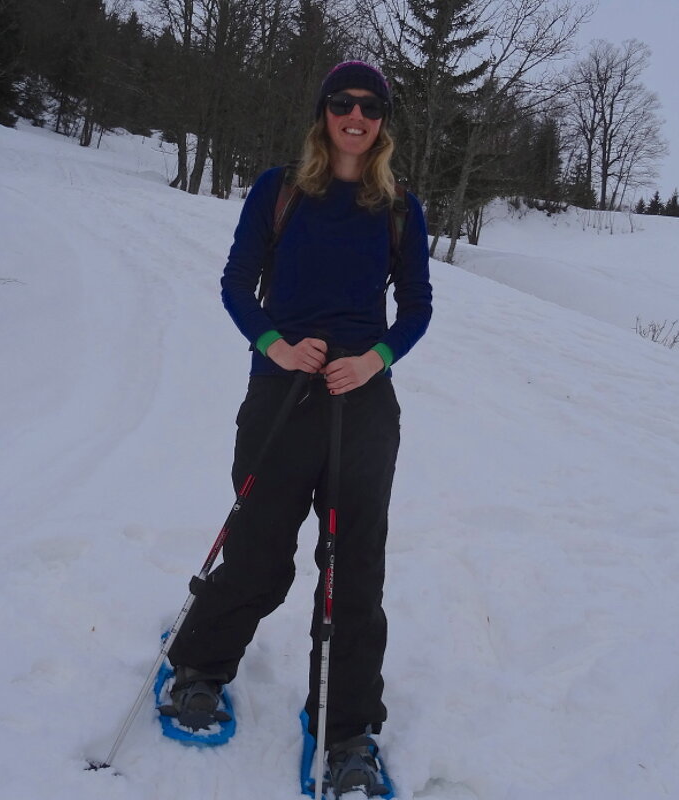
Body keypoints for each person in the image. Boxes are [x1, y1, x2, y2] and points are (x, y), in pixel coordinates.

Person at [165, 60, 432, 796]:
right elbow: (234, 282)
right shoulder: (279, 190)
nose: (356, 116)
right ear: (323, 114)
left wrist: (377, 358)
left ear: (382, 121)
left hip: (364, 406)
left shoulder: (401, 208)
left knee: (353, 570)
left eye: (370, 106)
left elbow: (416, 308)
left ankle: (346, 727)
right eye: (342, 103)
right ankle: (199, 663)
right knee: (259, 550)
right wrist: (274, 344)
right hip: (282, 394)